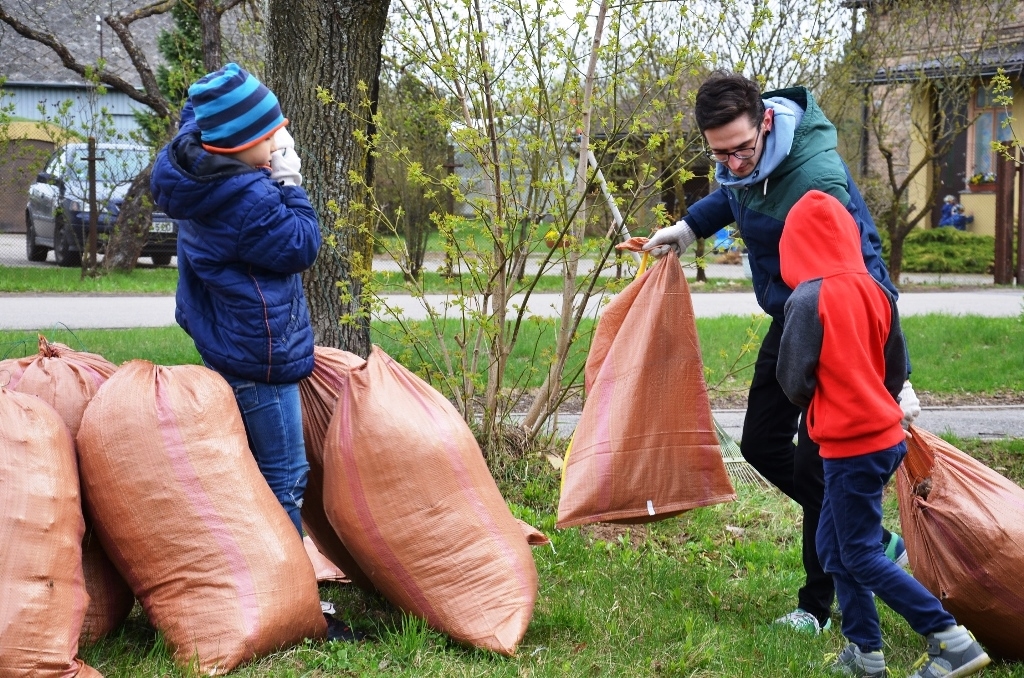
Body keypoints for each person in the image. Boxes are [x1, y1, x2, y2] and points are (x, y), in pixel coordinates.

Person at [643, 70, 921, 634]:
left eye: (743, 149)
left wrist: (896, 374)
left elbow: (867, 268)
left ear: (766, 122)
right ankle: (869, 537)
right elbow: (735, 191)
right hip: (792, 316)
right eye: (720, 154)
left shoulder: (818, 180)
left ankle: (815, 607)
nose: (734, 163)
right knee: (761, 444)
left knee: (816, 462)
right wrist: (688, 229)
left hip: (837, 329)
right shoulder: (743, 161)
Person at [150, 64, 358, 642]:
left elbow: (199, 119)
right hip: (258, 357)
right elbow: (302, 245)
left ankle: (256, 575)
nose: (278, 143)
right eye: (269, 137)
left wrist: (230, 103)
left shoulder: (196, 169)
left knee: (253, 469)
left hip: (230, 339)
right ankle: (292, 600)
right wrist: (290, 183)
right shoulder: (247, 201)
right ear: (240, 146)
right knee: (284, 476)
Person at [776, 189, 989, 678]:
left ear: (796, 244)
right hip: (885, 438)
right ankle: (864, 653)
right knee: (834, 547)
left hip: (851, 446)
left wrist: (824, 398)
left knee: (861, 553)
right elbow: (896, 372)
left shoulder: (807, 298)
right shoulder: (877, 290)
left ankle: (950, 638)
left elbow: (792, 381)